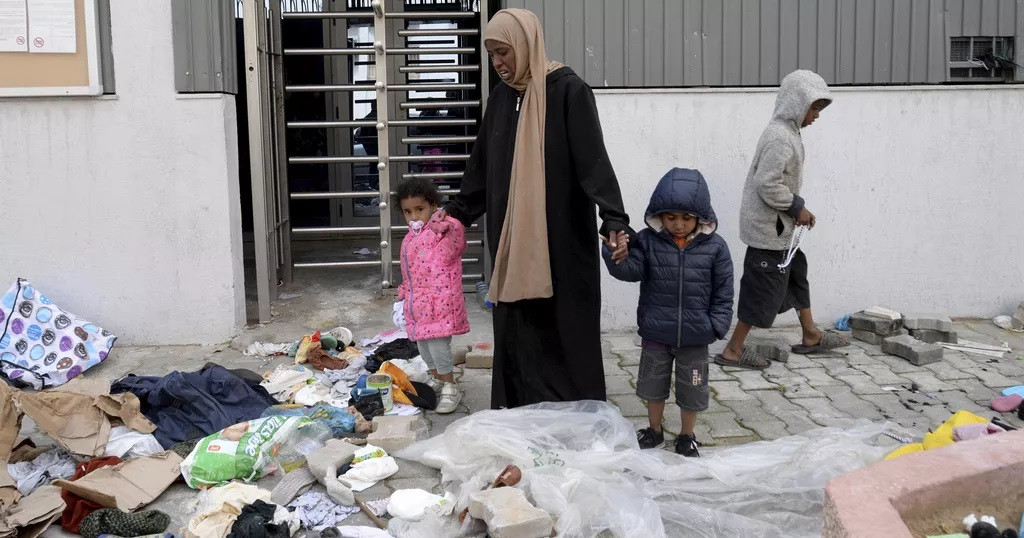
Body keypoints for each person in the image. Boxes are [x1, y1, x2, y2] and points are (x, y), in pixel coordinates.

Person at [440, 8, 632, 408]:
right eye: (492, 55)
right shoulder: (501, 97)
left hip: (560, 237)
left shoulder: (568, 91)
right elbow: (482, 166)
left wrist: (613, 218)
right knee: (517, 318)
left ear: (526, 45)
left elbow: (593, 162)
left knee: (562, 319)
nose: (498, 64)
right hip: (511, 236)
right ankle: (521, 401)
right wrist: (456, 211)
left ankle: (572, 406)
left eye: (504, 53)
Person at [715, 69, 847, 370]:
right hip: (768, 231)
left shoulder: (787, 132)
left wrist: (795, 210)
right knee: (762, 288)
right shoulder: (780, 139)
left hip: (780, 230)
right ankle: (733, 350)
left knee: (796, 272)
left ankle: (811, 333)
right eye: (814, 107)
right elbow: (767, 184)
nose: (817, 115)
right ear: (795, 103)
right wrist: (796, 207)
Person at [603, 168, 733, 456]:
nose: (678, 224)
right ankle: (654, 430)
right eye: (671, 217)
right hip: (656, 333)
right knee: (652, 385)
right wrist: (614, 253)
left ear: (700, 215)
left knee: (693, 389)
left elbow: (724, 290)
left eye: (686, 218)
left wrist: (716, 325)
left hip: (696, 337)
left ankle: (687, 435)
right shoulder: (647, 243)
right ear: (659, 215)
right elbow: (630, 270)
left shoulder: (716, 248)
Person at [395, 177, 469, 414]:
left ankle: (450, 384)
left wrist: (445, 221)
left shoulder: (442, 234)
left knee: (439, 347)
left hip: (440, 306)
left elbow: (458, 238)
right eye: (408, 211)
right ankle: (436, 376)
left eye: (420, 209)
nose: (414, 216)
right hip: (418, 307)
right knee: (425, 348)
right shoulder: (408, 240)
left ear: (433, 207)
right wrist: (403, 295)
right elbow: (408, 273)